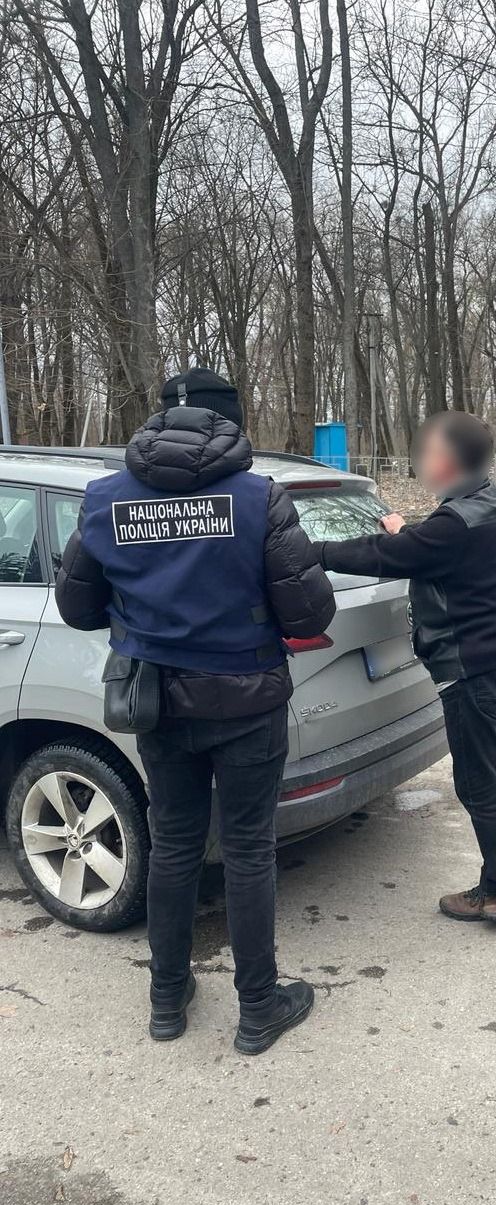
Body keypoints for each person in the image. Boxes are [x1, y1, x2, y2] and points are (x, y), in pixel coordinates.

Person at [55, 368, 336, 1054]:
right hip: (248, 701)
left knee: (175, 846)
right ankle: (258, 1007)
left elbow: (77, 607)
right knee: (247, 850)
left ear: (159, 419)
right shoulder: (258, 498)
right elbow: (310, 612)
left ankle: (167, 999)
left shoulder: (105, 499)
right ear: (229, 421)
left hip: (157, 702)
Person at [319, 410, 496, 924]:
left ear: (448, 460)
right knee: (487, 780)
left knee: (477, 786)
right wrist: (408, 532)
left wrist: (316, 551)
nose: (422, 461)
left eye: (428, 452)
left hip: (472, 672)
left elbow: (389, 554)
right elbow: (435, 549)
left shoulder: (454, 525)